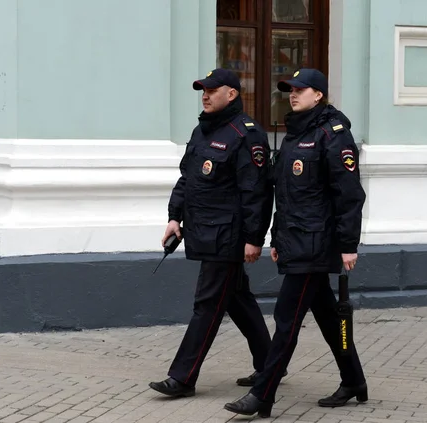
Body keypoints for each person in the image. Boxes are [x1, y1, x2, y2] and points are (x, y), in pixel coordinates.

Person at [224, 68, 368, 418]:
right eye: (290, 89)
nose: (293, 94)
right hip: (297, 241)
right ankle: (354, 381)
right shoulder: (293, 135)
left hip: (317, 245)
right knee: (330, 318)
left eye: (301, 90)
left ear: (318, 95)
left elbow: (348, 195)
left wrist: (348, 245)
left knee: (286, 318)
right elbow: (285, 196)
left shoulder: (332, 135)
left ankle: (263, 394)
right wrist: (277, 237)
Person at [148, 68, 280, 398]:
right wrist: (174, 217)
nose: (205, 95)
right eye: (202, 90)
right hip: (203, 232)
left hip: (228, 237)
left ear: (231, 94)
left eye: (211, 90)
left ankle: (182, 378)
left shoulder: (246, 135)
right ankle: (270, 363)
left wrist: (254, 238)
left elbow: (256, 193)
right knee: (237, 300)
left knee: (206, 304)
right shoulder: (203, 130)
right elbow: (187, 179)